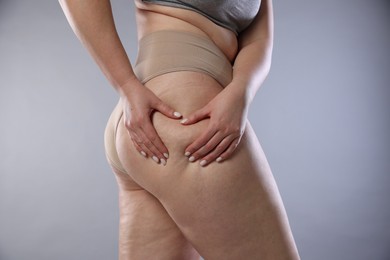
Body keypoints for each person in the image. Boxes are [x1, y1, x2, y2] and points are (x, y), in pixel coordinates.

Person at [59, 0, 301, 259]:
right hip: (183, 119)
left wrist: (243, 88)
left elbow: (259, 35)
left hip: (172, 122)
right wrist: (126, 85)